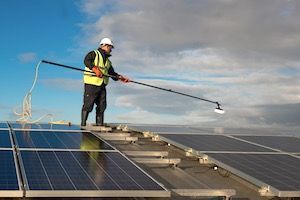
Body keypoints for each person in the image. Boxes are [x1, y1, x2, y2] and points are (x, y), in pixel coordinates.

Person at [81, 37, 130, 126]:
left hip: (102, 86)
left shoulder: (108, 62)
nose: (111, 49)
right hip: (91, 84)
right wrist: (95, 69)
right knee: (88, 105)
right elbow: (86, 61)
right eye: (110, 47)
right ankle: (83, 125)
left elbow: (111, 73)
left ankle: (100, 125)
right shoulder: (94, 54)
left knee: (101, 106)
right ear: (105, 46)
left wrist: (120, 78)